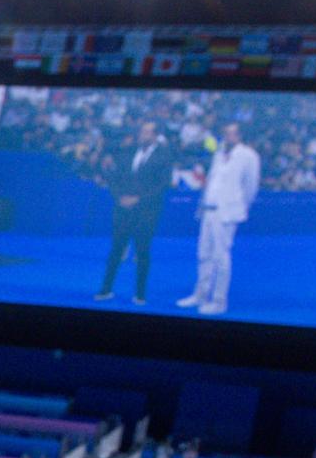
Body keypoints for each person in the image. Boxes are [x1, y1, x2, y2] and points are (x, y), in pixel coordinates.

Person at [179, 120, 260, 316]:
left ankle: (219, 301)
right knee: (204, 254)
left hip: (227, 213)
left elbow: (251, 187)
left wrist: (238, 206)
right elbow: (212, 180)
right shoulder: (219, 152)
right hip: (208, 210)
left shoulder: (248, 156)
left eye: (231, 133)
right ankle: (200, 294)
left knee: (220, 257)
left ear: (239, 135)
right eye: (225, 132)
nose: (227, 136)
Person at [94, 119, 173, 305]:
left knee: (142, 253)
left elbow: (162, 186)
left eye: (147, 132)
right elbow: (114, 178)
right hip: (122, 210)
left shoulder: (164, 155)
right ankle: (105, 290)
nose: (142, 135)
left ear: (155, 136)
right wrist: (119, 197)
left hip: (146, 213)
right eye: (141, 131)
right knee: (115, 251)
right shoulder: (128, 152)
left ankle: (140, 294)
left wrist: (138, 199)